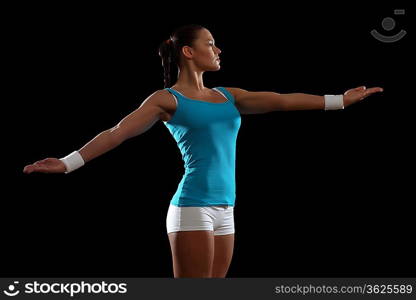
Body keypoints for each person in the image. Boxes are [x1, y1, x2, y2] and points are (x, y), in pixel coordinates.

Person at [23, 24, 383, 278]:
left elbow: (282, 100)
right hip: (192, 206)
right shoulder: (166, 99)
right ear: (188, 52)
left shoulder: (229, 96)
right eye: (211, 43)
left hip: (227, 207)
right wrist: (68, 164)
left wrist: (340, 101)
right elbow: (118, 133)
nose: (219, 49)